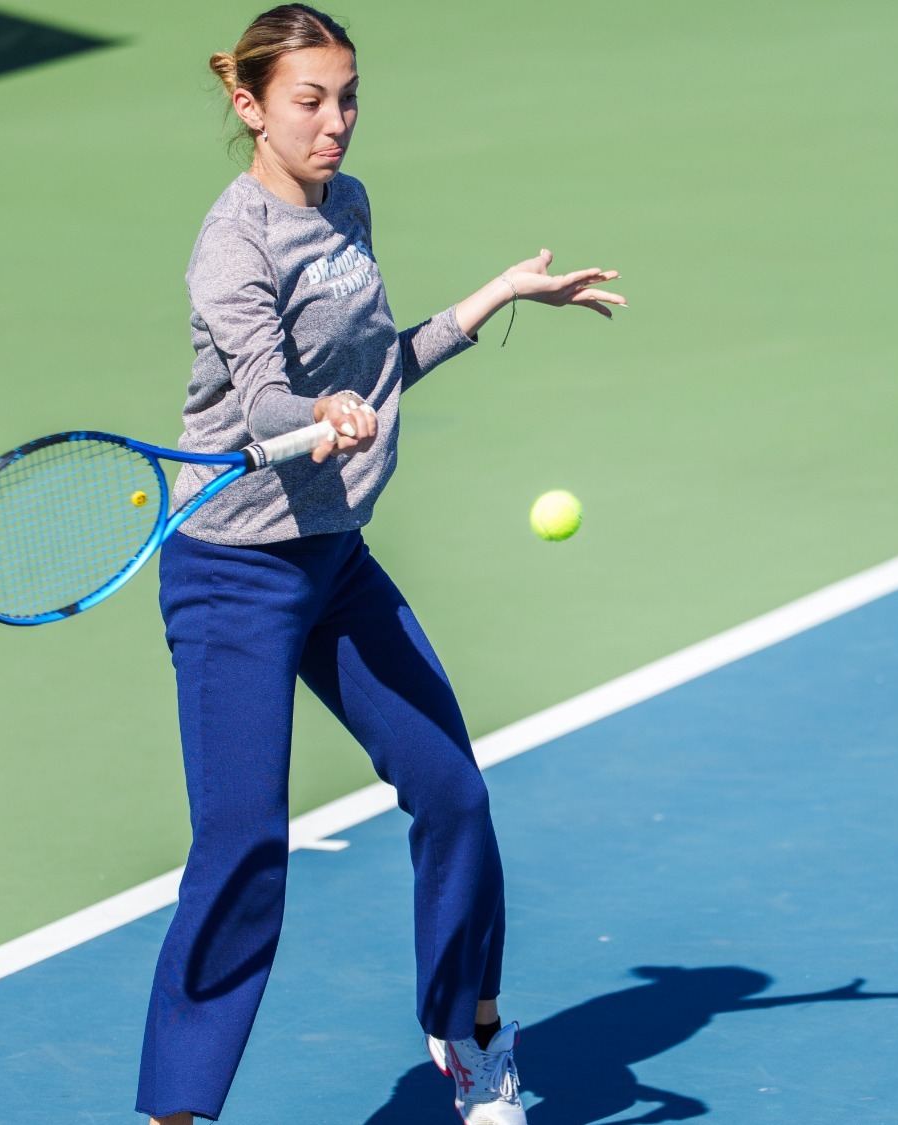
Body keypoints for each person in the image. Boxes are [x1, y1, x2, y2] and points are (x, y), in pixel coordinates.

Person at [139, 6, 625, 1123]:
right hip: (233, 575)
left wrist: (490, 300)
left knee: (452, 792)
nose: (336, 121)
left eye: (347, 95)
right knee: (242, 848)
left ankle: (468, 1034)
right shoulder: (233, 242)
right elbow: (264, 395)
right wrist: (321, 414)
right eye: (309, 99)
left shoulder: (346, 205)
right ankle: (177, 1111)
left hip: (332, 559)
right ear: (249, 105)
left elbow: (383, 365)